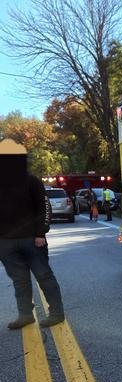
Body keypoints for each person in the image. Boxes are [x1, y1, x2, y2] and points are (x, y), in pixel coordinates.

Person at [0, 139, 64, 329]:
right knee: (19, 281)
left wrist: (40, 233)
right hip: (5, 243)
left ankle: (57, 313)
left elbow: (44, 207)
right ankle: (25, 315)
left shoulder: (31, 180)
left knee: (44, 276)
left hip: (31, 239)